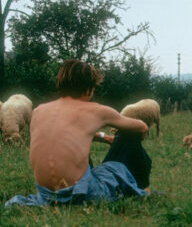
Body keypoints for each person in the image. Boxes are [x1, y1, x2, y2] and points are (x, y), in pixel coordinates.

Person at [4, 59, 152, 207]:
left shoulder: (38, 111)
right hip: (80, 195)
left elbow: (62, 134)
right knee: (128, 134)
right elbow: (142, 127)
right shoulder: (96, 110)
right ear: (88, 89)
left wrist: (103, 137)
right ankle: (143, 188)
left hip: (46, 196)